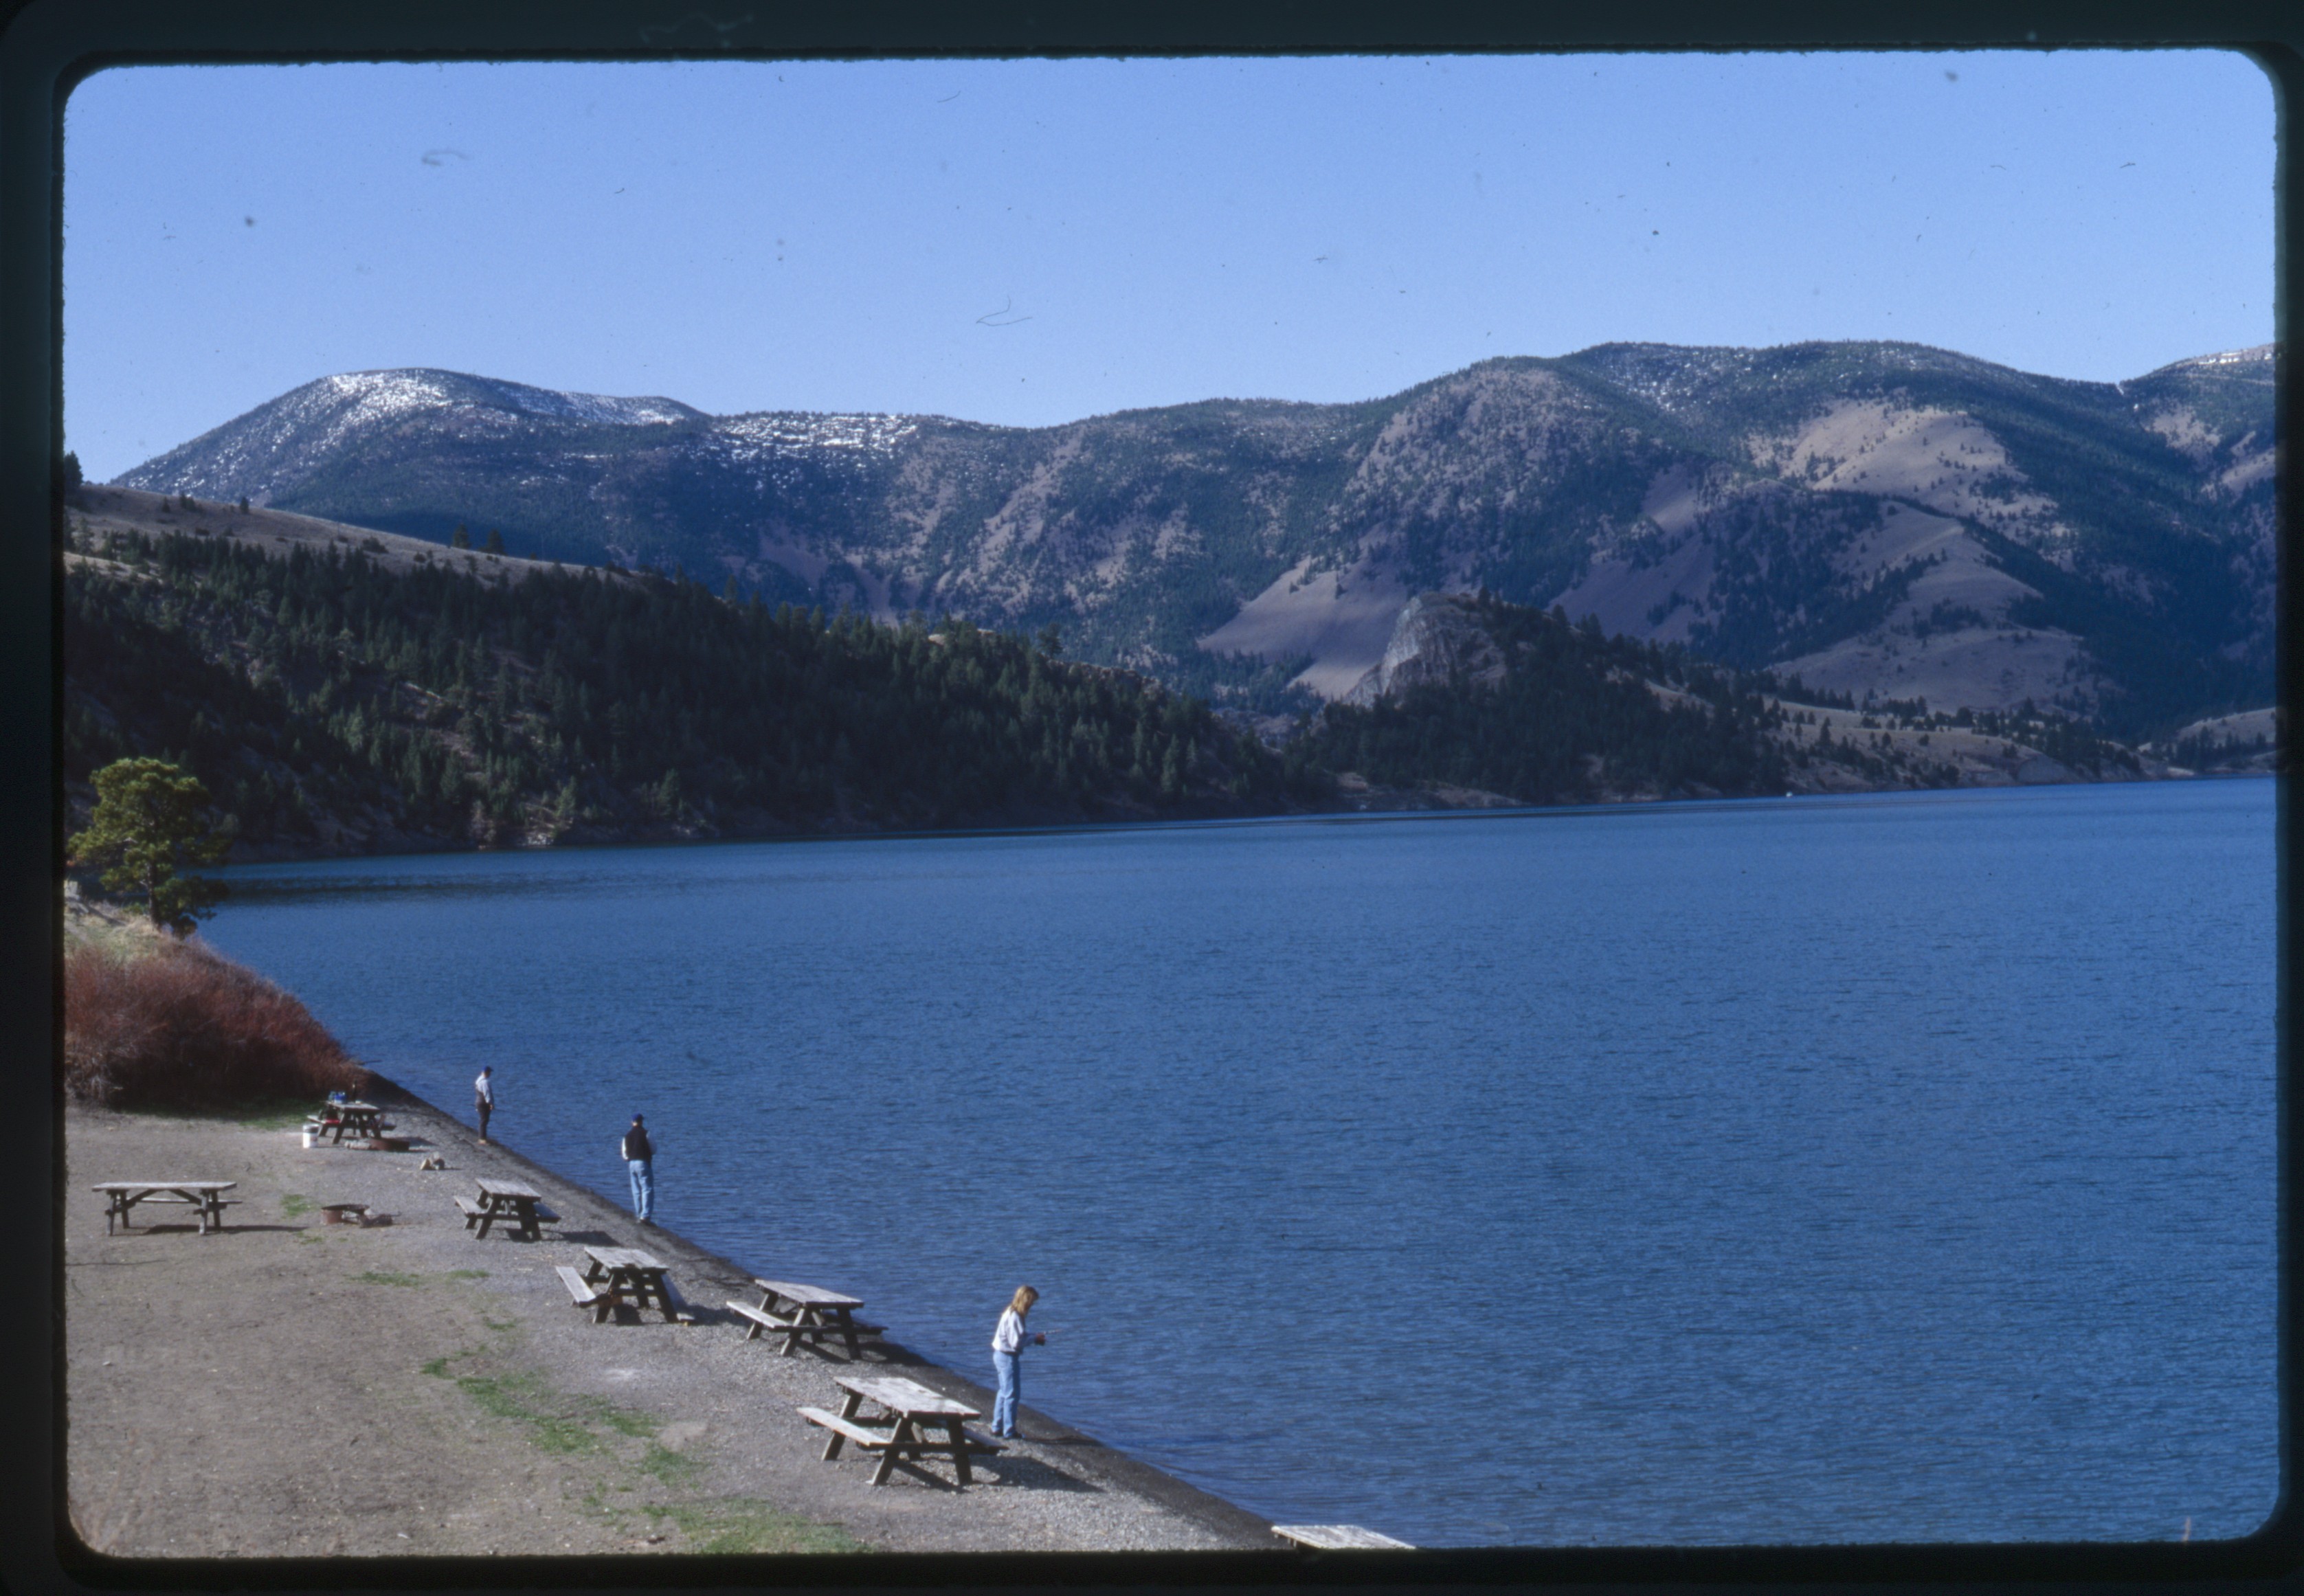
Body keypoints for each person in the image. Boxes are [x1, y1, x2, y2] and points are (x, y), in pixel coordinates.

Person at [989, 1285, 1044, 1439]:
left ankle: (997, 1427)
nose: (1032, 1306)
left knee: (1003, 1392)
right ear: (1026, 1301)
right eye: (1031, 1302)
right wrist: (1035, 1339)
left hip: (1000, 1355)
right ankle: (1009, 1431)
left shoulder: (1010, 1311)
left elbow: (1018, 1336)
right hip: (1007, 1357)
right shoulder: (1015, 1316)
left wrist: (1033, 1336)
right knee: (1012, 1395)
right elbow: (1016, 1343)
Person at [622, 1113, 655, 1223]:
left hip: (632, 1163)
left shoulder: (627, 1136)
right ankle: (645, 1216)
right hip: (643, 1162)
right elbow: (654, 1149)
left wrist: (630, 1158)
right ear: (641, 1121)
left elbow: (624, 1153)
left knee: (636, 1191)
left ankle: (638, 1213)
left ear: (632, 1122)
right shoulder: (646, 1133)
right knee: (647, 1189)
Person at [473, 1066, 494, 1144]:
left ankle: (482, 1137)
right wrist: (491, 1103)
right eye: (489, 1072)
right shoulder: (485, 1082)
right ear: (487, 1073)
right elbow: (487, 1094)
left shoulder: (479, 1080)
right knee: (484, 1120)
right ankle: (482, 1138)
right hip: (483, 1103)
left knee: (483, 1120)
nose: (490, 1074)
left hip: (478, 1102)